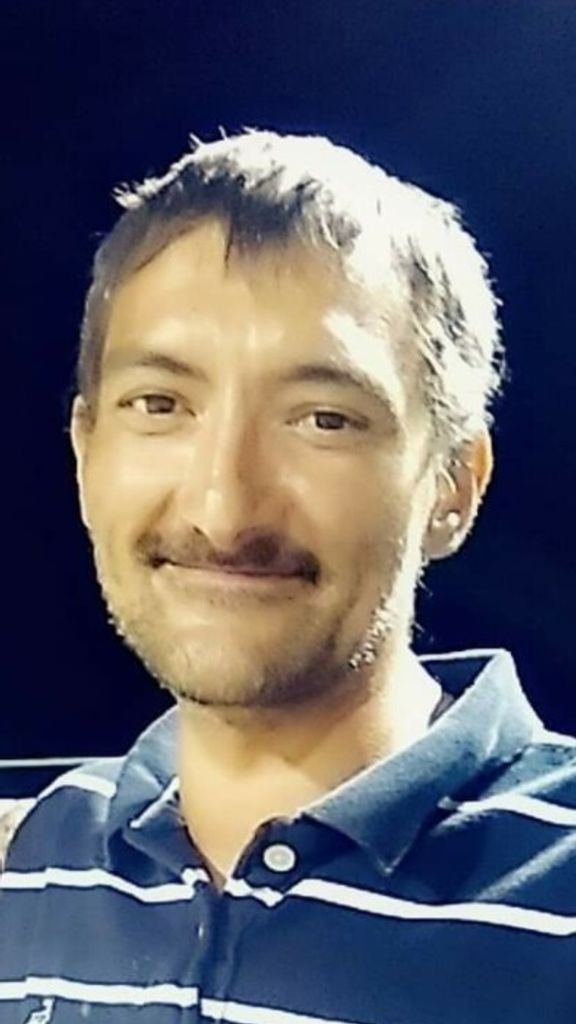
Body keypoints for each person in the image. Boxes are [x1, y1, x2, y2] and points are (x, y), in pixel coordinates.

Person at [1, 129, 574, 1024]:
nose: (223, 508)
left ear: (453, 487)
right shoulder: (53, 851)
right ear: (85, 453)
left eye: (323, 419)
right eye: (160, 405)